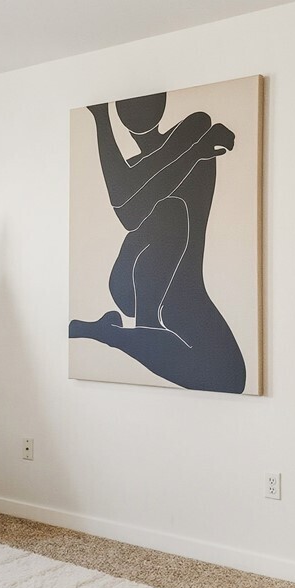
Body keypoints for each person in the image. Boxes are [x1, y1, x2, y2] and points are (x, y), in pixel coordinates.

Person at [69, 92, 246, 393]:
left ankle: (108, 332)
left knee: (231, 378)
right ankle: (146, 324)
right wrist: (101, 119)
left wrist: (102, 119)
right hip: (134, 280)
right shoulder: (171, 156)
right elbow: (128, 214)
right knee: (171, 212)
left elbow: (130, 197)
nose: (138, 112)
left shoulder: (195, 128)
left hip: (184, 288)